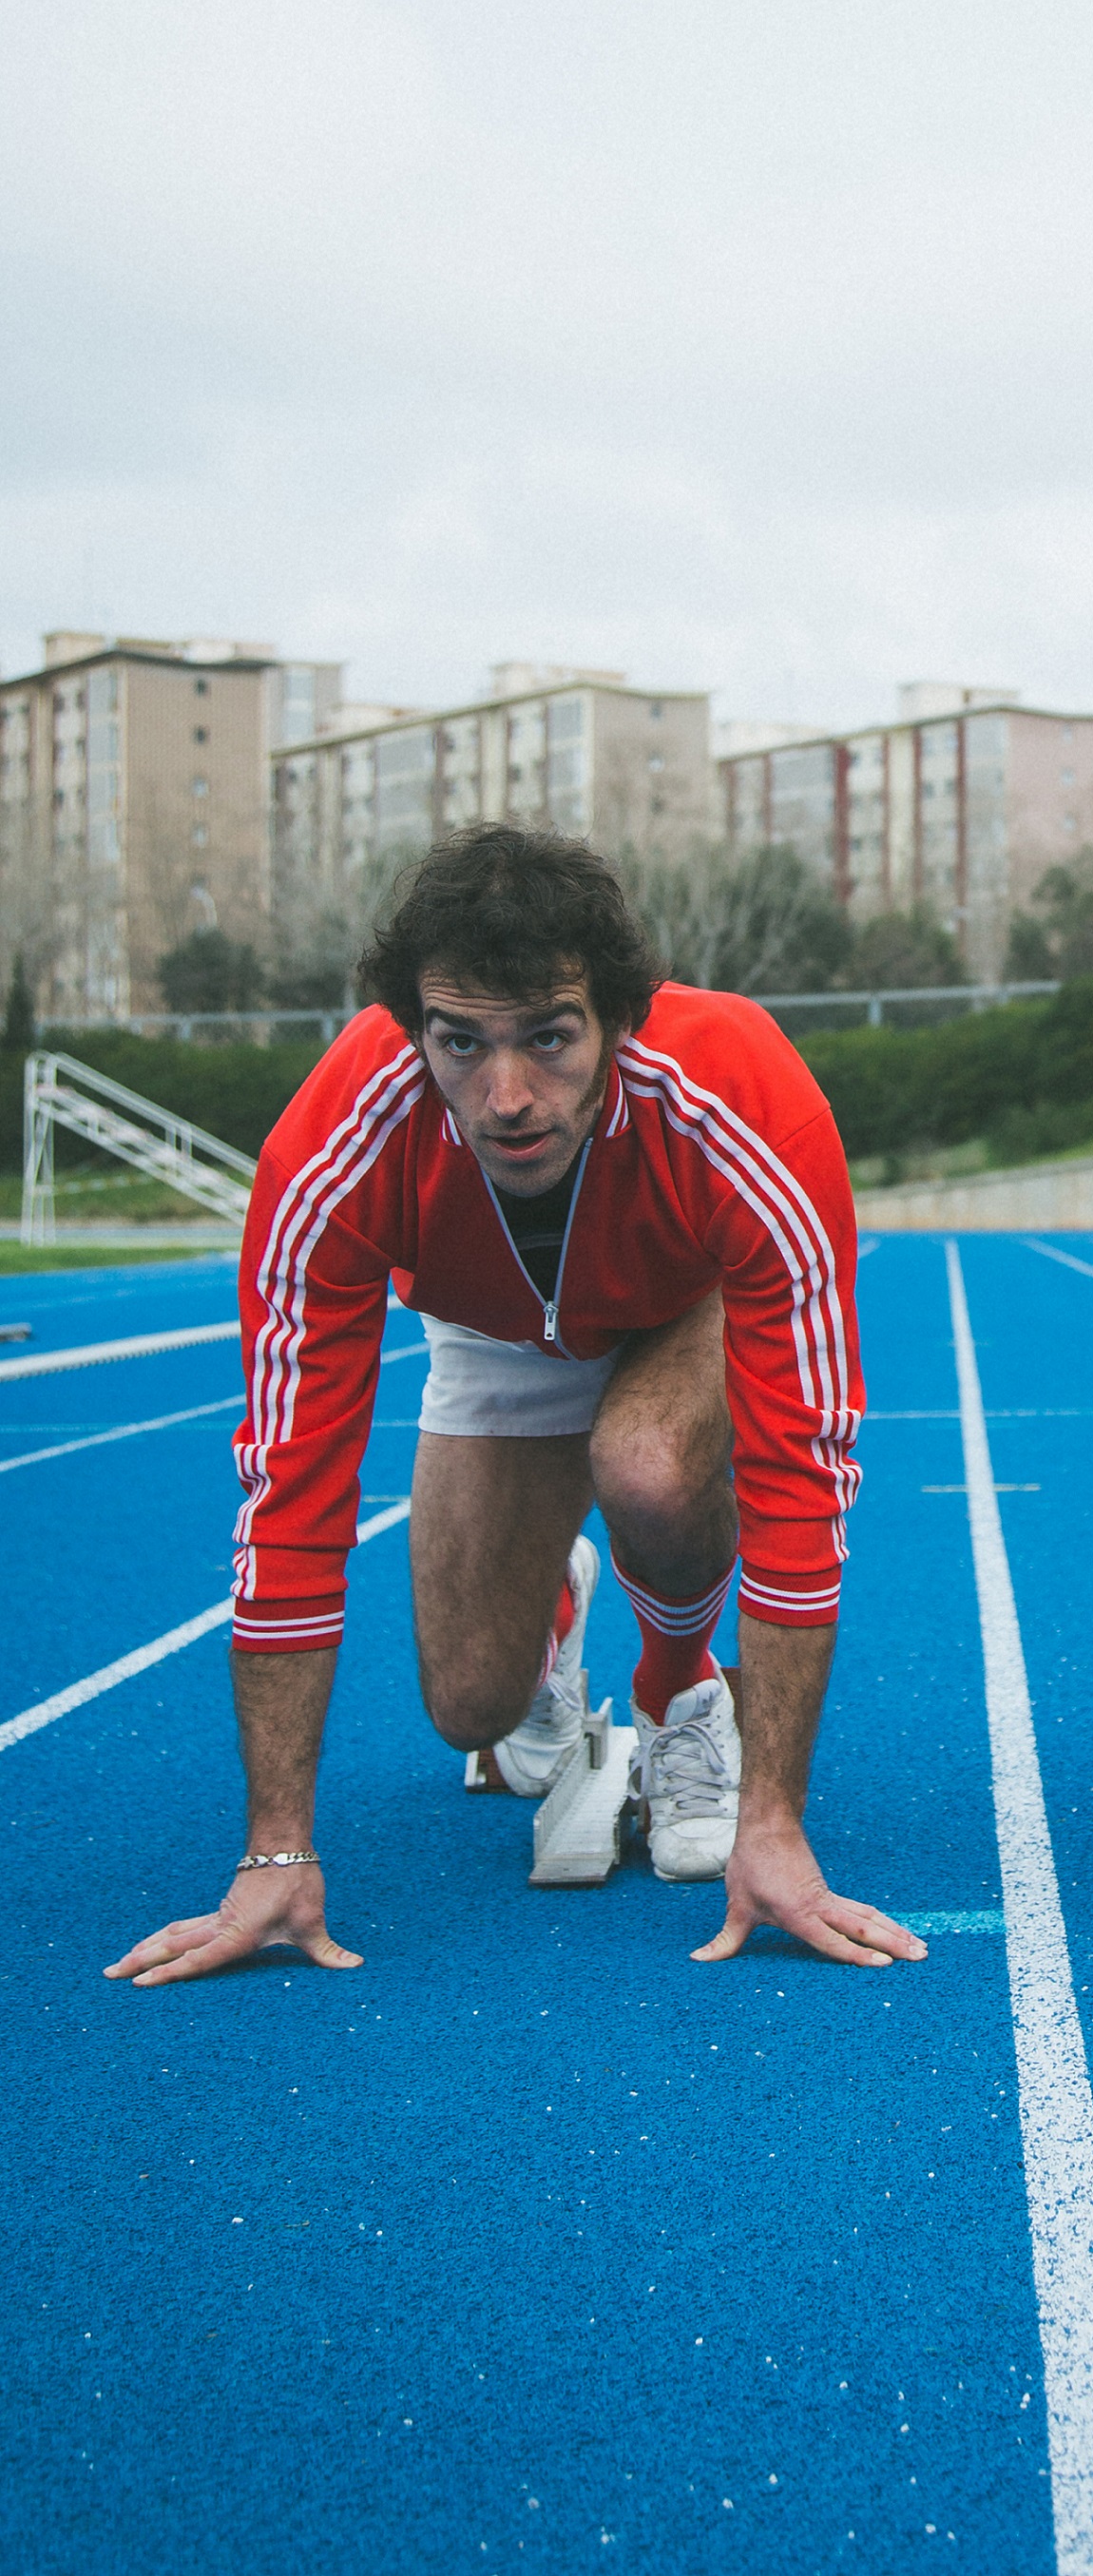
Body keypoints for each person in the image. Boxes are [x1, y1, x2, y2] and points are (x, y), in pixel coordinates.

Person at [108, 825, 925, 1989]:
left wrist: (774, 1824)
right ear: (412, 1033)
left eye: (548, 1037)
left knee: (644, 1461)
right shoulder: (335, 1148)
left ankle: (677, 1686)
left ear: (620, 1023)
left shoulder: (740, 1093)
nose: (506, 1097)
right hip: (494, 1325)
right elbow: (291, 1489)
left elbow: (805, 1470)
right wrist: (275, 1849)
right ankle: (555, 1596)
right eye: (460, 1044)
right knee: (471, 1710)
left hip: (678, 1302)